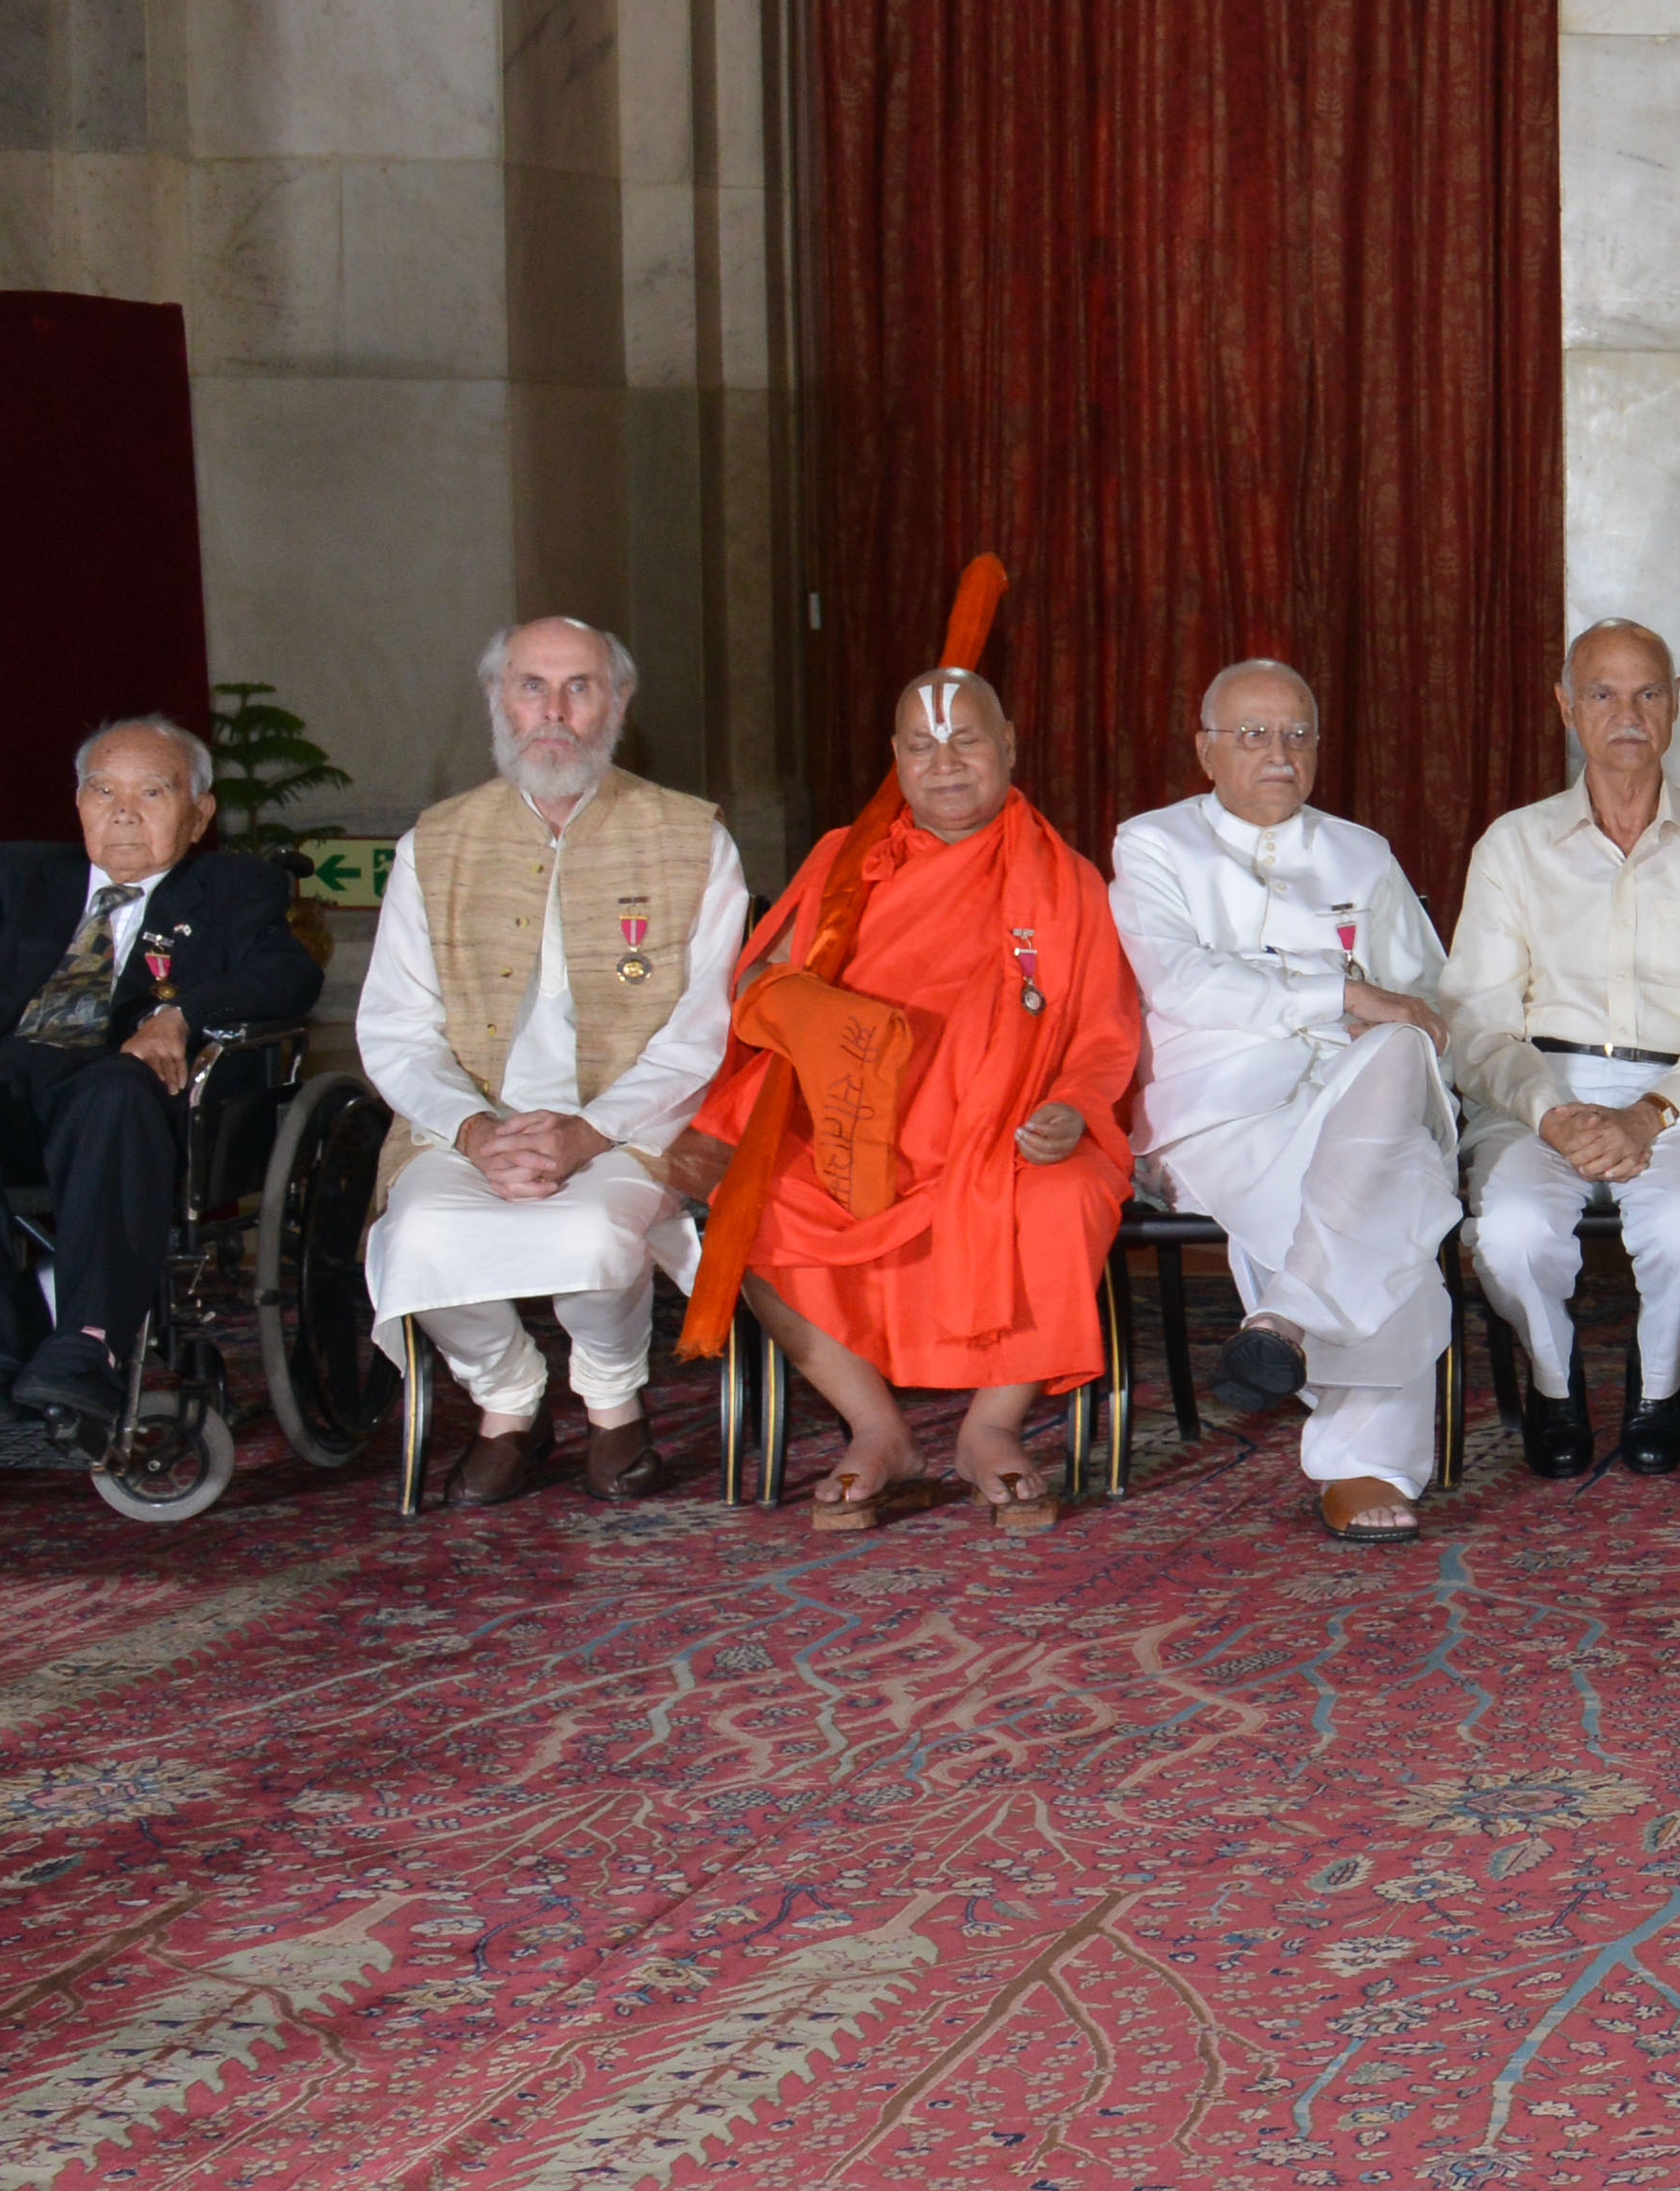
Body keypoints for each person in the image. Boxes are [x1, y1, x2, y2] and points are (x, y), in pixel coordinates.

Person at [662, 630, 1141, 1535]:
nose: (945, 761)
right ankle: (878, 1429)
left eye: (967, 739)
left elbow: (1106, 1027)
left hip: (1005, 1138)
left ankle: (990, 1428)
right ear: (895, 758)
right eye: (922, 746)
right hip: (858, 1134)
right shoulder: (849, 862)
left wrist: (1071, 1108)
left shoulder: (1064, 881)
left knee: (1065, 1197)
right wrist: (805, 1010)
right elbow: (758, 991)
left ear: (1008, 747)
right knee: (754, 1209)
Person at [351, 617, 746, 1500]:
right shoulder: (435, 844)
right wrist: (475, 1129)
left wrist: (589, 1131)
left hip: (632, 1122)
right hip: (463, 1125)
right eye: (532, 686)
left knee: (590, 1229)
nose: (554, 712)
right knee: (418, 1235)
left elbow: (701, 1029)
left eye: (580, 687)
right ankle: (508, 1399)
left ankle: (612, 1399)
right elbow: (396, 1028)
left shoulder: (692, 840)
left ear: (619, 701)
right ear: (499, 700)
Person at [0, 713, 317, 1467]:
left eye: (152, 792)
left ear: (199, 813)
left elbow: (288, 975)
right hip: (7, 1085)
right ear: (77, 805)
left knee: (115, 1088)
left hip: (125, 1098)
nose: (123, 812)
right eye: (102, 791)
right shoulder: (7, 876)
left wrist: (182, 1016)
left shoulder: (233, 890)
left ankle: (88, 1351)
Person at [1108, 657, 1458, 1544]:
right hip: (1220, 1110)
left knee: (1401, 1056)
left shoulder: (1359, 851)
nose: (1278, 753)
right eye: (1252, 735)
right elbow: (1180, 981)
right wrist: (1339, 994)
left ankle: (1287, 1316)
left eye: (1297, 735)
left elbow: (1422, 994)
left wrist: (1383, 1012)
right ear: (1206, 750)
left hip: (1351, 1097)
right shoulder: (1153, 843)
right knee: (1394, 1202)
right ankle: (1363, 1464)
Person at [1440, 623, 1680, 1481]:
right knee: (1513, 1232)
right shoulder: (1513, 845)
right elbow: (1476, 1022)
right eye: (1602, 693)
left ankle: (1659, 1381)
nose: (1626, 713)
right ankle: (1554, 1383)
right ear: (1567, 707)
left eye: (1647, 693)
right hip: (1537, 1090)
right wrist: (1552, 1112)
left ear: (1675, 705)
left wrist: (1649, 1112)